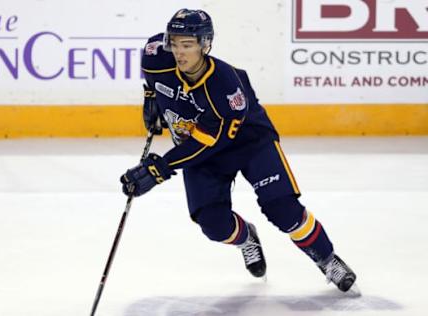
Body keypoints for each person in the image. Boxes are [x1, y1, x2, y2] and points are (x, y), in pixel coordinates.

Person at [120, 8, 357, 292]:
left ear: (205, 44)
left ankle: (327, 258)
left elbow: (206, 143)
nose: (179, 53)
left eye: (188, 45)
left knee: (283, 210)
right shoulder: (156, 54)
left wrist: (160, 168)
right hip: (201, 147)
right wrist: (152, 99)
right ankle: (247, 239)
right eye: (174, 43)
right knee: (214, 225)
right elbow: (152, 79)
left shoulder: (225, 86)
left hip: (249, 142)